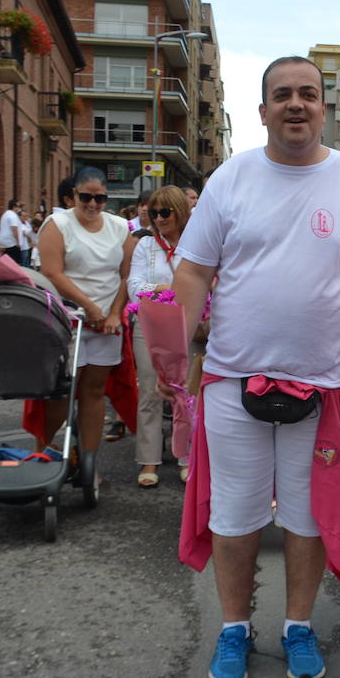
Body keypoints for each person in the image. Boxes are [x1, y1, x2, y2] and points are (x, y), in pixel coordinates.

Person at [163, 55, 340, 678]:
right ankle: (234, 628)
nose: (297, 105)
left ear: (324, 109)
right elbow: (193, 273)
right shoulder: (231, 179)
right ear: (262, 110)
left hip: (320, 386)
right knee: (234, 517)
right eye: (283, 95)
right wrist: (174, 355)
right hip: (235, 380)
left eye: (309, 95)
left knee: (306, 516)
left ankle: (297, 625)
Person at [37, 166, 134, 467]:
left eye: (101, 198)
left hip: (106, 324)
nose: (93, 204)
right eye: (86, 197)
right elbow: (52, 272)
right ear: (73, 196)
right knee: (61, 395)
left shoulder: (120, 227)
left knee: (93, 393)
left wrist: (114, 313)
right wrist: (89, 308)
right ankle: (42, 453)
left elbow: (128, 276)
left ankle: (88, 465)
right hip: (67, 319)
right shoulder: (57, 223)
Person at [127, 184, 192, 488]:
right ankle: (148, 460)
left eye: (165, 212)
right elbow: (133, 285)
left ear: (180, 211)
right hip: (150, 324)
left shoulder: (196, 242)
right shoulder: (145, 245)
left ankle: (186, 457)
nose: (159, 218)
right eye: (154, 213)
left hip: (187, 323)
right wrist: (160, 291)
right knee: (150, 391)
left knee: (185, 391)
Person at [0, 198, 24, 265]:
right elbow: (14, 228)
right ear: (14, 207)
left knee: (7, 262)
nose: (19, 208)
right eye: (18, 206)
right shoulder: (13, 215)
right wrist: (18, 242)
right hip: (12, 243)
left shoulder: (5, 214)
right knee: (16, 263)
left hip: (4, 241)